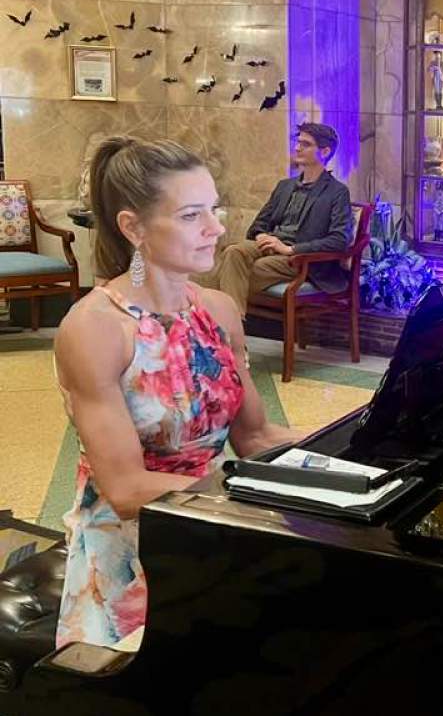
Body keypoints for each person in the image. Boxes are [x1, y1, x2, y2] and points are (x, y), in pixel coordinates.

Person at [53, 137, 307, 648]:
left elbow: (255, 437)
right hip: (131, 554)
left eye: (213, 209)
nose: (216, 227)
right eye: (193, 215)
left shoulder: (216, 309)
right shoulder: (97, 328)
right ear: (133, 227)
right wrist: (242, 496)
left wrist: (360, 449)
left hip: (215, 524)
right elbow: (124, 490)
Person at [198, 122, 353, 315]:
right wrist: (263, 237)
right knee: (233, 253)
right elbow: (258, 226)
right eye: (298, 142)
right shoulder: (285, 186)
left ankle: (229, 332)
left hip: (302, 259)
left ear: (325, 151)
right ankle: (233, 330)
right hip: (271, 247)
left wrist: (290, 249)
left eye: (306, 144)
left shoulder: (337, 192)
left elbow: (340, 240)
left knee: (233, 272)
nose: (297, 147)